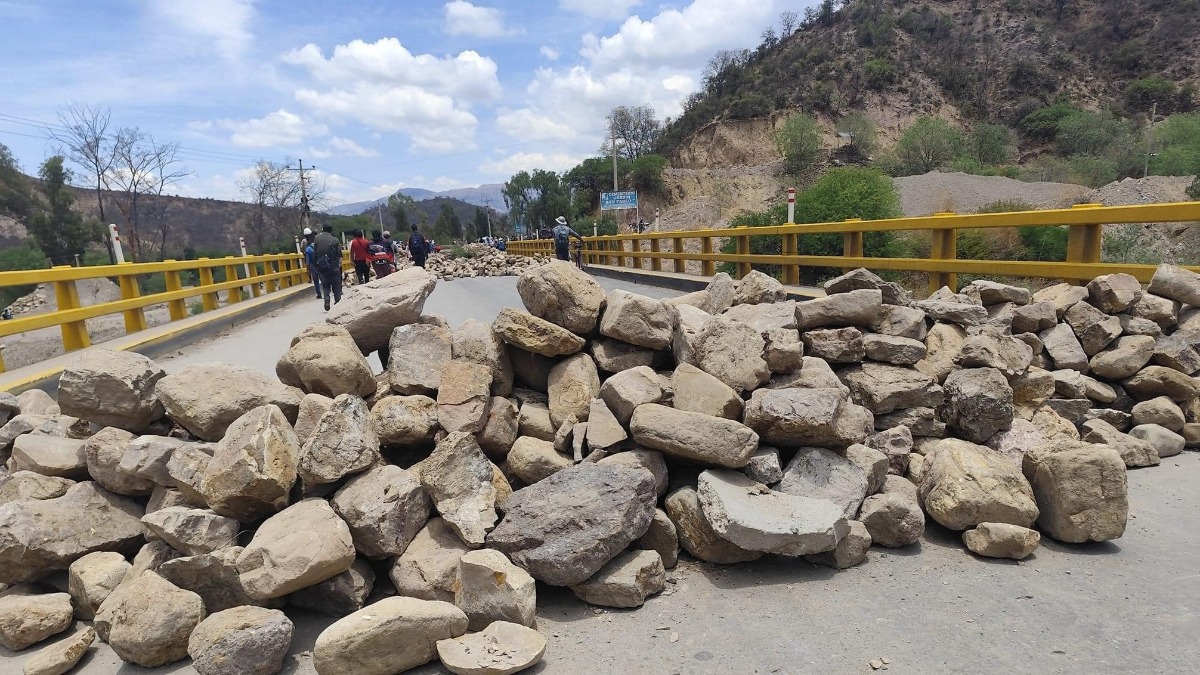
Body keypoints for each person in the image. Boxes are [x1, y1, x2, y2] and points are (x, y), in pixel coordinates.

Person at [313, 224, 343, 311]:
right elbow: (339, 253)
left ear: (323, 229)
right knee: (336, 286)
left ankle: (326, 299)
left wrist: (316, 265)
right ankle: (338, 303)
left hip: (322, 266)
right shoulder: (335, 239)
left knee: (325, 285)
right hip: (334, 266)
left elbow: (315, 253)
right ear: (331, 230)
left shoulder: (317, 238)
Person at [302, 227, 320, 299]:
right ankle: (326, 292)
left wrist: (308, 268)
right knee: (323, 278)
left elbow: (307, 262)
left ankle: (318, 293)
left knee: (316, 280)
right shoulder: (318, 245)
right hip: (320, 264)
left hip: (313, 266)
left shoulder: (308, 249)